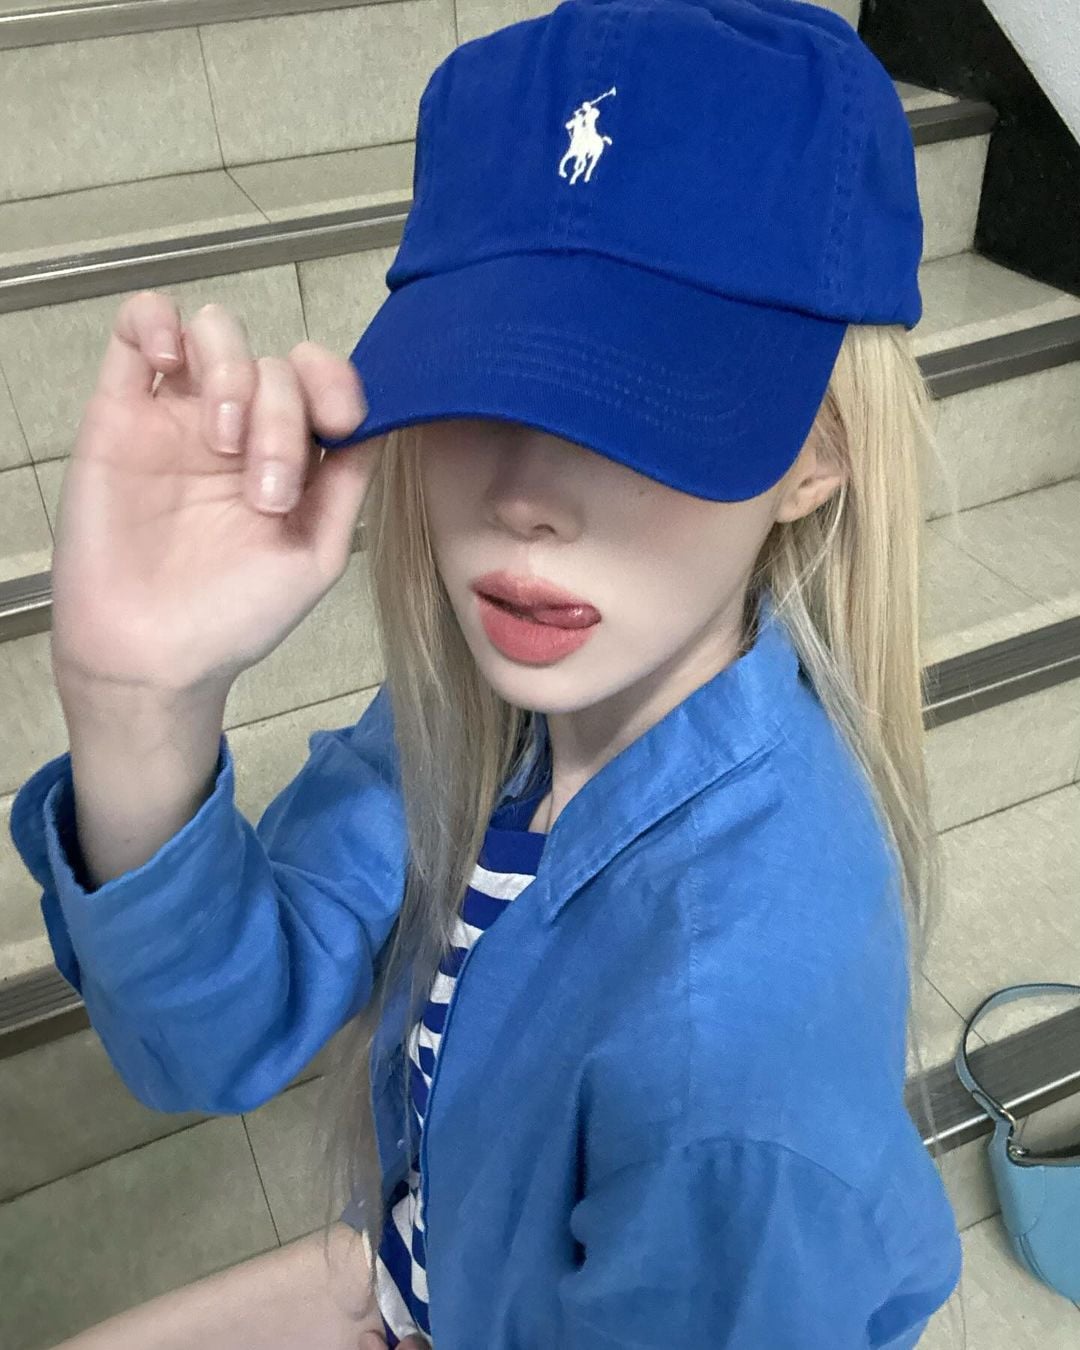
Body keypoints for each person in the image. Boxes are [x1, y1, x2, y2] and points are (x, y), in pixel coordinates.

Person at [8, 0, 971, 1346]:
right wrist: (137, 705)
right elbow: (209, 1037)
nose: (524, 498)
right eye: (483, 385)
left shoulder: (729, 1032)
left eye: (633, 411)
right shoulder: (480, 722)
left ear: (819, 455)